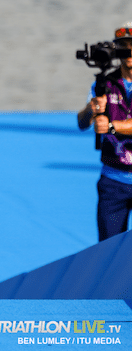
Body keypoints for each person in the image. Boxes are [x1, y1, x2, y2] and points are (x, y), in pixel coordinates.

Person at [78, 21, 132, 241]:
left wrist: (112, 126)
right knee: (108, 249)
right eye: (124, 46)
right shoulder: (105, 84)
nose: (129, 52)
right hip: (113, 181)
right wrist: (91, 110)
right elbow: (82, 123)